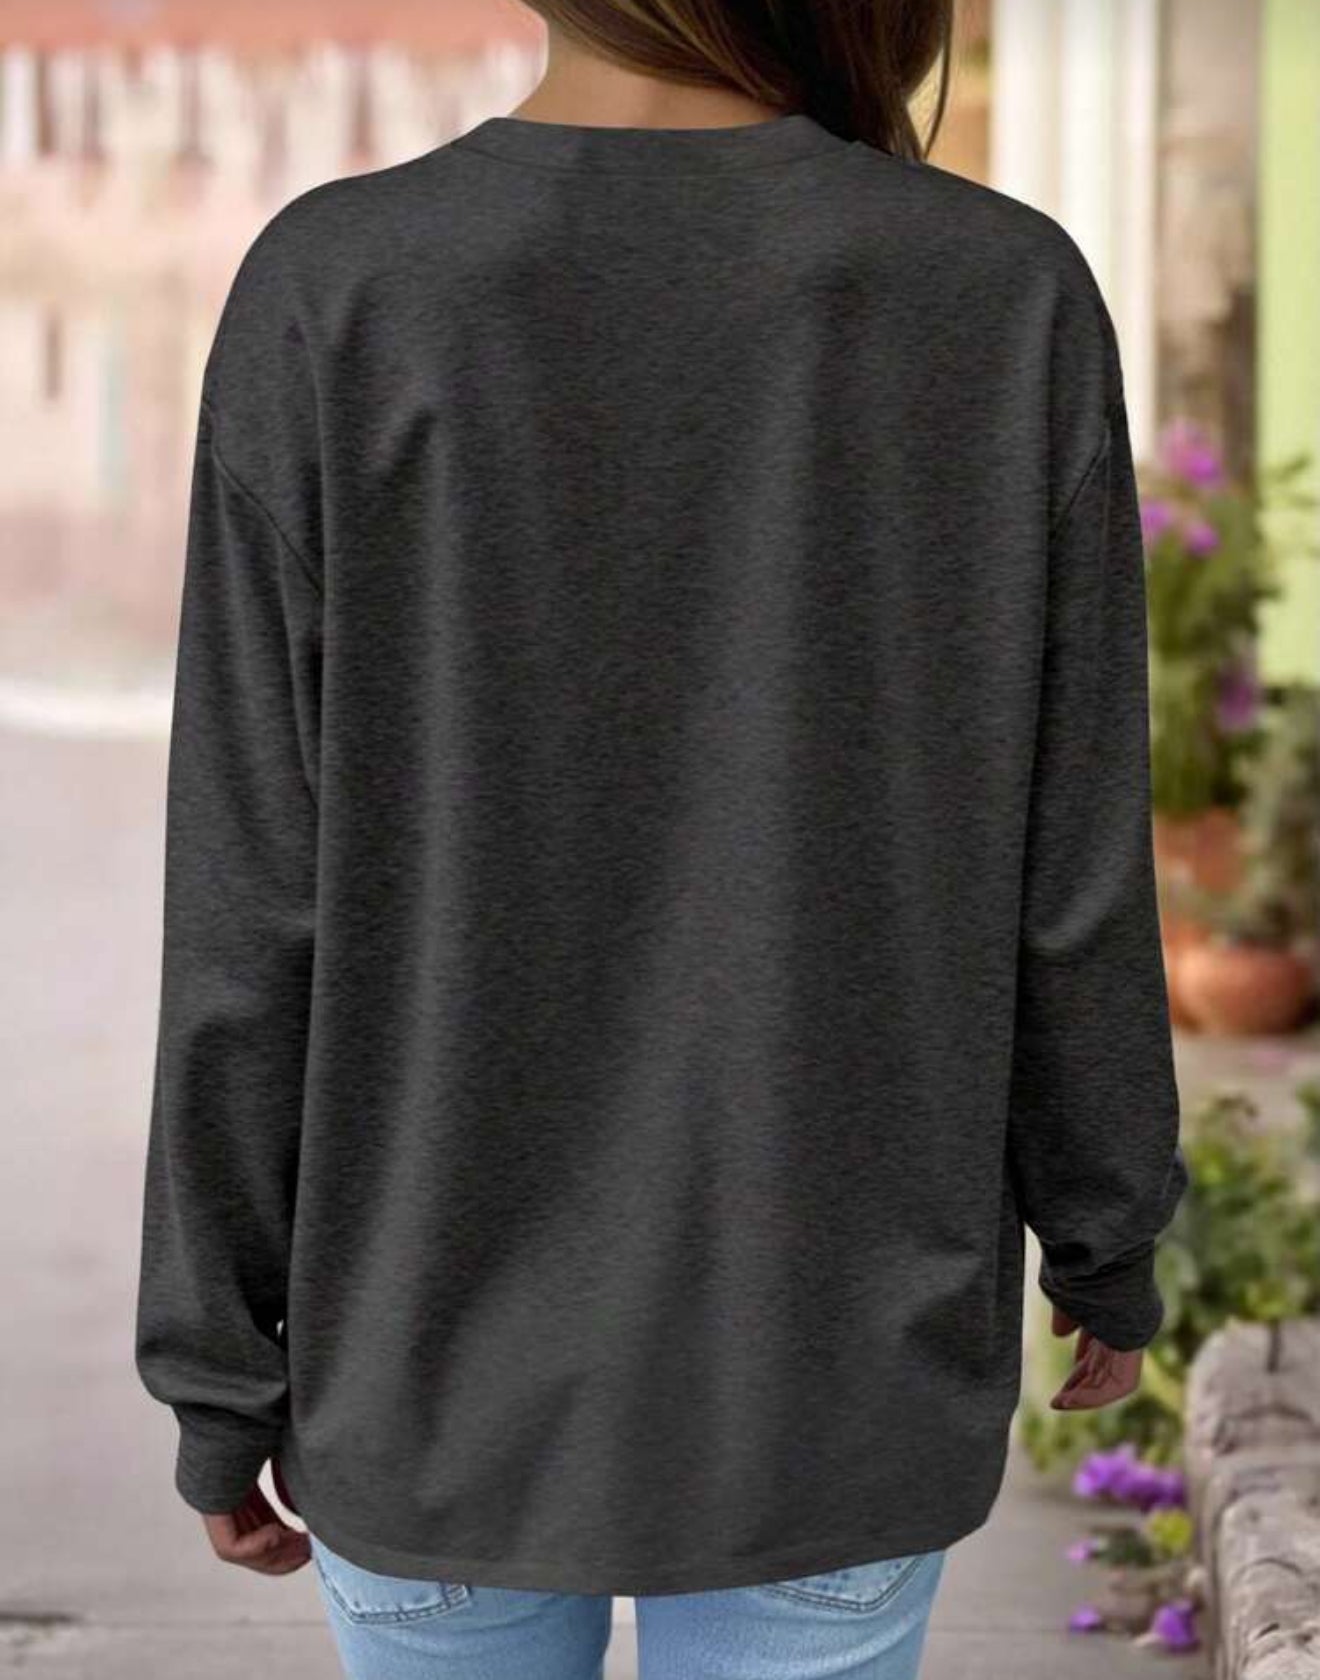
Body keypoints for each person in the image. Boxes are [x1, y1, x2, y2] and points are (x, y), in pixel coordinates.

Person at [133, 1, 1189, 1676]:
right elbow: (1072, 867)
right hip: (831, 1382)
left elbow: (251, 897)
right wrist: (1105, 1228)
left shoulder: (341, 288)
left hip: (423, 1381)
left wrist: (216, 1366)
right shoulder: (998, 294)